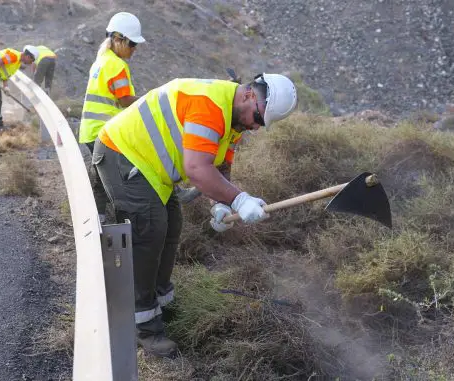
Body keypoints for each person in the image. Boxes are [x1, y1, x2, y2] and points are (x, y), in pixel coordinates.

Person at [92, 74, 298, 357]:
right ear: (250, 94)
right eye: (258, 119)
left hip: (151, 168)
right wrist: (239, 199)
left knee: (171, 225)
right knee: (150, 231)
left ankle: (161, 305)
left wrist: (221, 204)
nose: (255, 126)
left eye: (261, 123)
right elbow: (197, 169)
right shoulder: (210, 104)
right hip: (121, 152)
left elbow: (220, 165)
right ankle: (144, 327)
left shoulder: (234, 118)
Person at [79, 11, 145, 223]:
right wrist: (148, 101)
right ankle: (124, 226)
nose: (135, 49)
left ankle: (97, 222)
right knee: (124, 181)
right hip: (106, 133)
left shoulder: (101, 61)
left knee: (100, 177)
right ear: (118, 39)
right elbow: (125, 99)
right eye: (132, 44)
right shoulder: (117, 65)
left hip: (92, 131)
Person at [0, 46, 38, 128]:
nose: (30, 63)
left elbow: (5, 73)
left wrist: (6, 87)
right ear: (28, 56)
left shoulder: (17, 62)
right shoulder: (14, 56)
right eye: (31, 61)